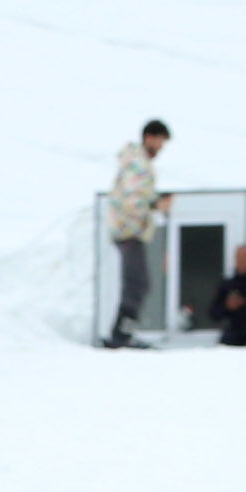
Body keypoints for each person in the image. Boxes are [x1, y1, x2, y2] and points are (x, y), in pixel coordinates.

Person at [104, 119, 173, 347]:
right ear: (149, 138)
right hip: (128, 230)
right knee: (137, 284)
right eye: (160, 142)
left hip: (128, 229)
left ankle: (122, 334)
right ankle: (121, 336)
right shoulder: (138, 164)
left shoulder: (134, 161)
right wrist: (156, 205)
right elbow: (133, 200)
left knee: (137, 284)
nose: (161, 148)